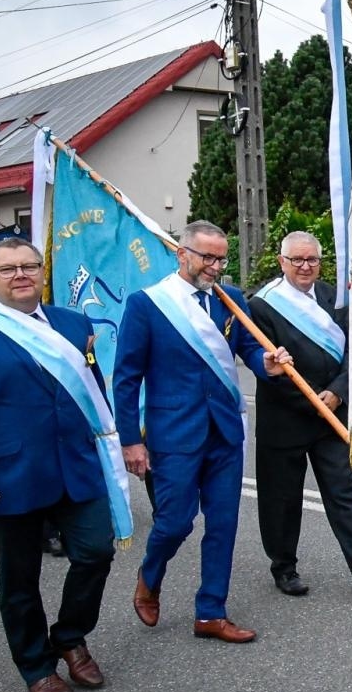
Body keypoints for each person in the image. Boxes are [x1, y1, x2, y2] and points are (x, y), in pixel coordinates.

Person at [0, 238, 127, 692]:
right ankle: (36, 664)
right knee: (19, 578)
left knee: (97, 552)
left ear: (42, 272)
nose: (20, 275)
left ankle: (70, 635)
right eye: (7, 269)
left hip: (77, 468)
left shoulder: (73, 324)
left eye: (29, 266)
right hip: (8, 477)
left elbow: (93, 396)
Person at [114, 221, 291, 644]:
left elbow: (250, 350)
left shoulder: (229, 300)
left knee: (224, 523)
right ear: (182, 254)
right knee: (175, 522)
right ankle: (150, 576)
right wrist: (130, 440)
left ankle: (211, 611)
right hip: (173, 432)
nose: (214, 267)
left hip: (225, 430)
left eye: (220, 258)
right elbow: (125, 378)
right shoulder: (149, 304)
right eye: (207, 257)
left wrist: (268, 363)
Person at [247, 231, 352, 596]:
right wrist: (314, 402)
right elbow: (266, 366)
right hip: (285, 418)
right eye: (297, 260)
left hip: (330, 414)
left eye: (312, 260)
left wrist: (337, 393)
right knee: (282, 500)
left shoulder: (337, 298)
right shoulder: (263, 305)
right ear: (282, 262)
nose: (305, 267)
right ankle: (284, 568)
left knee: (343, 493)